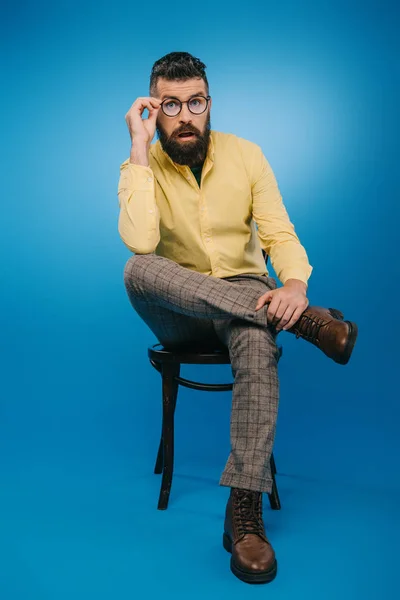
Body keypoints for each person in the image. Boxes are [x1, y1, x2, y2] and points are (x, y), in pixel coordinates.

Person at [118, 51, 358, 585]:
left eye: (195, 103)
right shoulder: (142, 165)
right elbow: (139, 241)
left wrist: (294, 284)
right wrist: (137, 147)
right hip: (177, 307)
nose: (185, 115)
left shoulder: (247, 156)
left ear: (210, 104)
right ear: (153, 110)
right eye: (170, 105)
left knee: (253, 335)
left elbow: (278, 233)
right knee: (138, 269)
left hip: (245, 297)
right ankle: (302, 322)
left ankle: (243, 515)